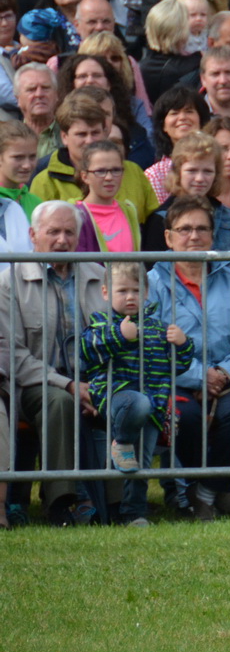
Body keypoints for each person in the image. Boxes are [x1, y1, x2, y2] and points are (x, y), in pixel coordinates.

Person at [149, 196, 230, 518]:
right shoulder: (152, 284)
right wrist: (199, 376)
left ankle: (204, 491)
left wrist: (220, 373)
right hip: (175, 380)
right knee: (185, 419)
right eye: (184, 229)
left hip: (226, 379)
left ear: (213, 235)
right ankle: (206, 490)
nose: (194, 236)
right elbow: (154, 347)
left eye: (202, 228)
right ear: (168, 237)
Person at [0, 200, 107, 524]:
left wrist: (99, 387)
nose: (62, 240)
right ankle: (62, 500)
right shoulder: (9, 282)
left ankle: (122, 504)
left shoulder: (100, 275)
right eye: (53, 232)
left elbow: (113, 340)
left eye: (69, 232)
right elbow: (14, 354)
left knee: (125, 399)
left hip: (90, 381)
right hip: (31, 385)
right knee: (59, 401)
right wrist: (71, 385)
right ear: (33, 235)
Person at [79, 259, 183, 525]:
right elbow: (86, 351)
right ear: (105, 293)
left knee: (141, 461)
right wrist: (119, 335)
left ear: (146, 293)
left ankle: (133, 512)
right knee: (136, 403)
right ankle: (122, 440)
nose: (130, 297)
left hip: (154, 404)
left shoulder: (157, 327)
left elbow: (178, 366)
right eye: (122, 291)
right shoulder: (101, 323)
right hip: (118, 398)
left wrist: (182, 345)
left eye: (136, 291)